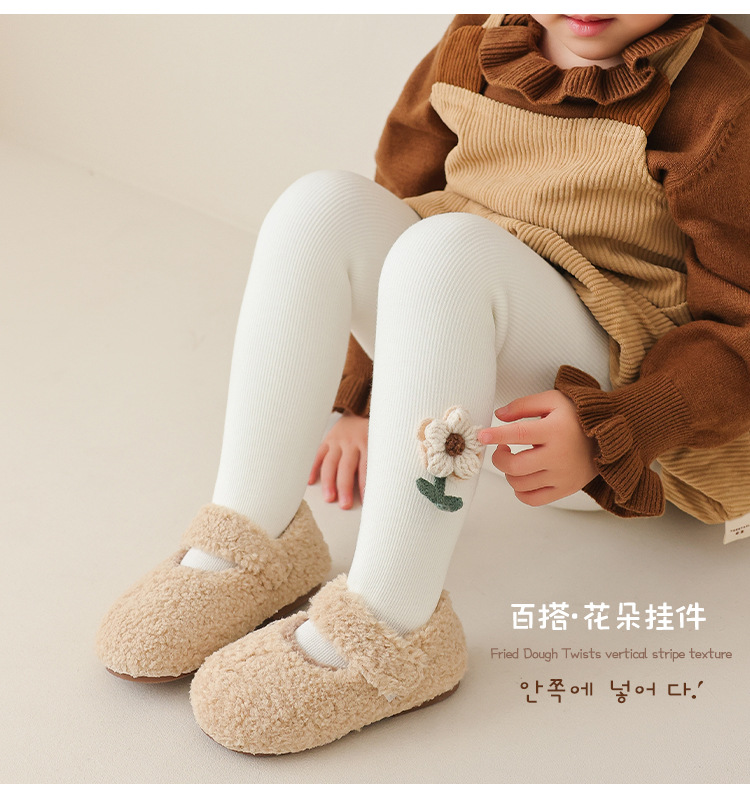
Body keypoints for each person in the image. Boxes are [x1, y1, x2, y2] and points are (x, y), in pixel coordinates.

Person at [96, 14, 750, 754]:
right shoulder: (480, 40)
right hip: (458, 370)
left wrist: (614, 430)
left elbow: (741, 326)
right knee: (323, 203)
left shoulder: (720, 101)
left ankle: (395, 621)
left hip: (610, 424)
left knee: (447, 250)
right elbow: (389, 210)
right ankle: (254, 536)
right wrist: (366, 398)